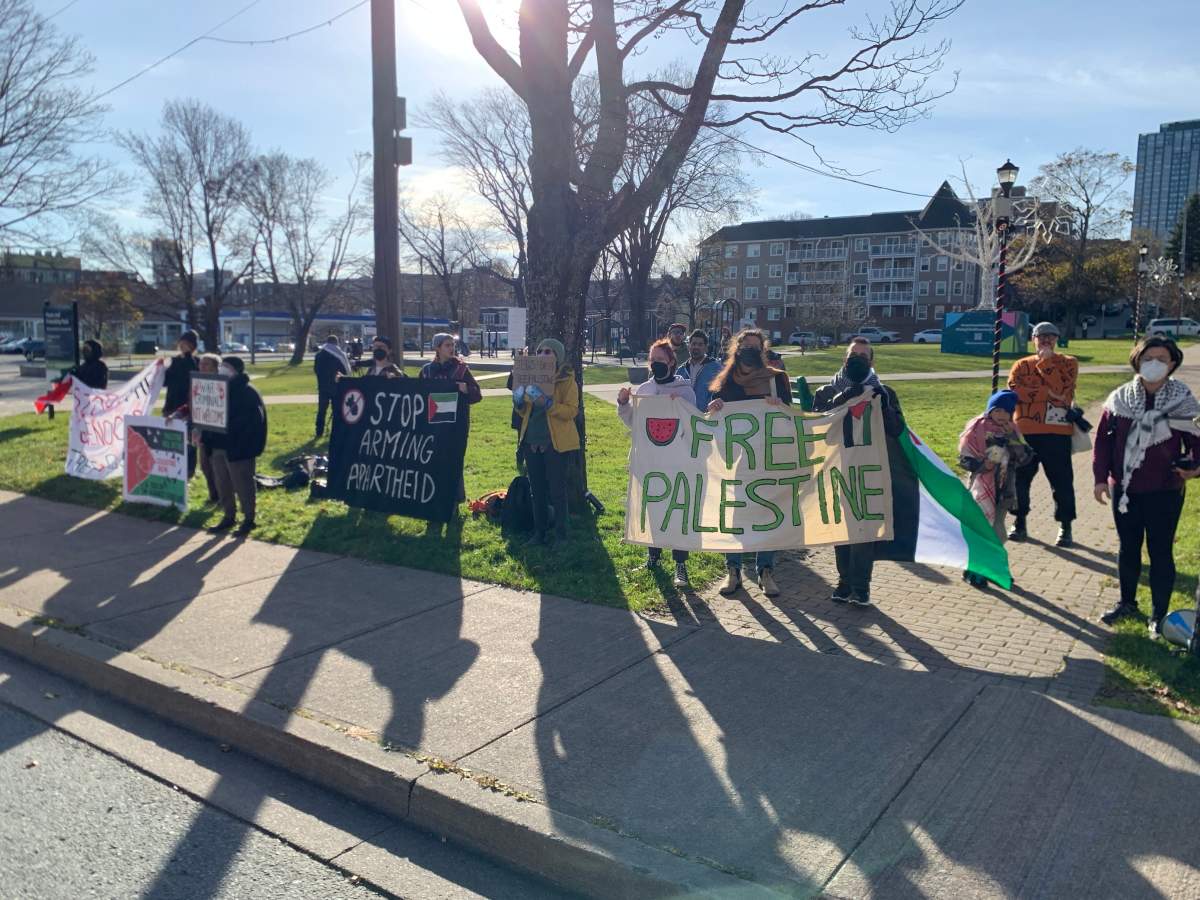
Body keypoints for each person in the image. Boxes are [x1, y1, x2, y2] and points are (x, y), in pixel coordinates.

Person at [1093, 336, 1200, 637]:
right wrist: (1101, 478)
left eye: (1162, 359)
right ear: (1137, 360)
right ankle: (1127, 602)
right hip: (1125, 489)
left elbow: (1196, 441)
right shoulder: (1119, 399)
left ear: (1173, 363)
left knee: (1160, 550)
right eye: (1148, 358)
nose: (1154, 364)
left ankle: (1159, 614)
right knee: (1128, 548)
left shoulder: (1184, 400)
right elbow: (1103, 441)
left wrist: (1195, 469)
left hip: (1165, 488)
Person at [812, 338, 905, 607]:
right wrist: (844, 398)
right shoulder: (826, 391)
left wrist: (884, 406)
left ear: (872, 362)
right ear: (845, 359)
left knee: (864, 529)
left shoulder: (884, 391)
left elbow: (897, 430)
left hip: (869, 470)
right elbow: (817, 428)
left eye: (864, 356)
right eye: (854, 355)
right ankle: (844, 582)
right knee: (842, 529)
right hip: (838, 468)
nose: (859, 360)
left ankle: (861, 586)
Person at [706, 328, 792, 597]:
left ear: (763, 350)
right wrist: (715, 407)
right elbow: (712, 419)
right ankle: (732, 571)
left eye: (755, 347)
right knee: (734, 515)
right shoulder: (726, 381)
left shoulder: (777, 380)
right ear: (736, 349)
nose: (750, 351)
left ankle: (765, 571)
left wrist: (779, 406)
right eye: (745, 346)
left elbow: (792, 418)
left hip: (767, 459)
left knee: (767, 515)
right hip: (734, 460)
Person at [617, 338, 696, 588]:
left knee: (676, 511)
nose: (655, 364)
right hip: (648, 461)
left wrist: (678, 407)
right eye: (652, 360)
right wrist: (623, 404)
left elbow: (691, 426)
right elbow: (634, 424)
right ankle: (653, 556)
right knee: (652, 510)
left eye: (660, 360)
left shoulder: (685, 390)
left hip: (675, 462)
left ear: (671, 362)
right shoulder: (644, 390)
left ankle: (680, 565)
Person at [1007, 321, 1079, 546]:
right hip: (1025, 431)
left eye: (1051, 336)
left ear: (1057, 340)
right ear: (1033, 339)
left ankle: (1065, 526)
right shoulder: (1021, 365)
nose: (1046, 340)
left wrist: (1047, 363)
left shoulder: (1068, 363)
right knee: (1020, 479)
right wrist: (1047, 394)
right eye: (1041, 336)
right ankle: (1019, 522)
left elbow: (1062, 392)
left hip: (1056, 433)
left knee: (1062, 480)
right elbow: (1014, 393)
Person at [957, 390, 1032, 587]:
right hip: (980, 488)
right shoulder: (977, 428)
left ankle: (985, 567)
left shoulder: (1012, 430)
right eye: (997, 410)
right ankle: (977, 570)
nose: (1001, 415)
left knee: (998, 533)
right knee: (981, 530)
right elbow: (965, 460)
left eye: (1006, 412)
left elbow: (1025, 458)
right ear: (990, 410)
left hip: (1004, 490)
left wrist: (1012, 439)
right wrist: (984, 465)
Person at [515, 339, 579, 547]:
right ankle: (539, 533)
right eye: (539, 351)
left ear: (557, 356)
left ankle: (561, 535)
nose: (543, 354)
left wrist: (549, 404)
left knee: (557, 491)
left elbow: (571, 411)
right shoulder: (530, 376)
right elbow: (524, 410)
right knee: (537, 490)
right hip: (531, 440)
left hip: (555, 442)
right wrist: (518, 401)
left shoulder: (567, 379)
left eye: (548, 351)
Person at [208, 357, 268, 537]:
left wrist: (231, 428)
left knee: (243, 484)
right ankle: (229, 516)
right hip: (219, 444)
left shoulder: (248, 392)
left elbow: (254, 422)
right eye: (221, 366)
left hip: (239, 447)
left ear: (236, 370)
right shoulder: (217, 389)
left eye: (226, 367)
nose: (221, 369)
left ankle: (249, 519)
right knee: (223, 483)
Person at [421, 333, 483, 503]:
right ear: (437, 348)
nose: (451, 348)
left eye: (452, 345)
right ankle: (435, 496)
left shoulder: (461, 370)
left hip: (457, 424)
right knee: (434, 460)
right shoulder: (426, 371)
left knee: (454, 459)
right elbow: (418, 396)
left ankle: (456, 498)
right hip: (433, 425)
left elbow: (477, 395)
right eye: (447, 345)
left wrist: (466, 389)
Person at [164, 330, 200, 477]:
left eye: (187, 344)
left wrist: (187, 356)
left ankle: (189, 469)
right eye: (181, 343)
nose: (183, 346)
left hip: (188, 405)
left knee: (189, 440)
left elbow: (194, 373)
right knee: (171, 438)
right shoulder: (174, 361)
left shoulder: (196, 361)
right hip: (172, 403)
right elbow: (166, 381)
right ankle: (172, 466)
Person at [195, 353, 223, 505]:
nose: (202, 367)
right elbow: (192, 404)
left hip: (218, 433)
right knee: (205, 466)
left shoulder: (222, 384)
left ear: (215, 368)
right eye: (201, 364)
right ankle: (213, 495)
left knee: (218, 468)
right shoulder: (197, 383)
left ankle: (223, 496)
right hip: (203, 431)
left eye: (206, 364)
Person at [313, 334, 351, 438]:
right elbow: (346, 371)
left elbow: (316, 370)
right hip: (336, 386)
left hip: (322, 386)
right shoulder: (339, 354)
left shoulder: (319, 354)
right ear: (336, 342)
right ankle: (336, 431)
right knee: (336, 410)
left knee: (321, 410)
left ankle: (318, 431)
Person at [678, 329, 721, 412]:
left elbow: (723, 393)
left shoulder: (716, 368)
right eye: (693, 344)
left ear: (706, 347)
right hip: (684, 417)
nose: (696, 347)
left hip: (707, 418)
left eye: (700, 344)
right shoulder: (681, 370)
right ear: (688, 346)